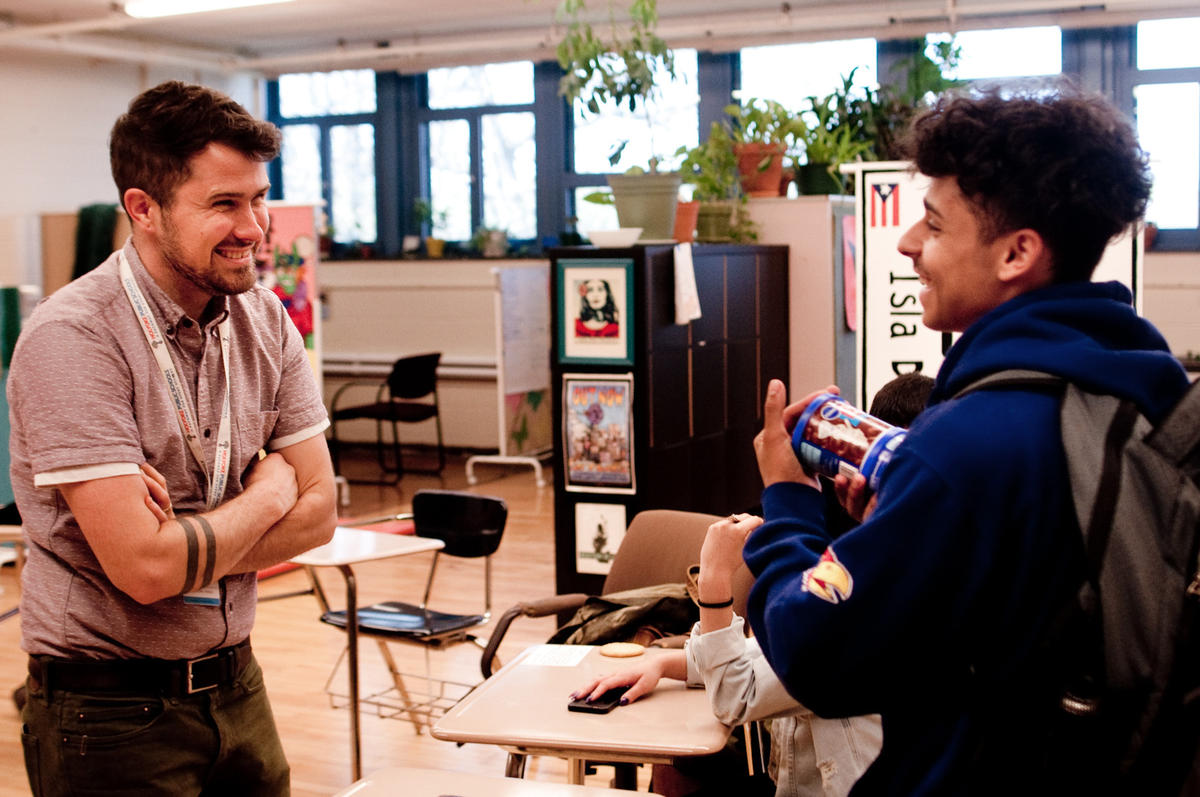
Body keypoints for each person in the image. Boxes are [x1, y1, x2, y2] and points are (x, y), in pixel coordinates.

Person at [744, 87, 1192, 794]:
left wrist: (788, 506)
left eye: (934, 224)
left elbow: (816, 654)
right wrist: (902, 523)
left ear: (1018, 252)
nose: (908, 244)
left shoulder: (970, 445)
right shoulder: (1137, 391)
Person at [9, 80, 338, 796]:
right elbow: (145, 571)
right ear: (143, 210)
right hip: (109, 709)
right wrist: (269, 489)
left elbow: (322, 512)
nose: (254, 227)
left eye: (257, 197)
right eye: (224, 203)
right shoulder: (73, 338)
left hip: (238, 685)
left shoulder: (266, 318)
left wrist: (185, 540)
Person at [573, 373, 934, 797]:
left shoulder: (876, 593)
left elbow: (738, 692)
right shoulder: (916, 562)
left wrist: (714, 575)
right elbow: (775, 652)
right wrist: (665, 664)